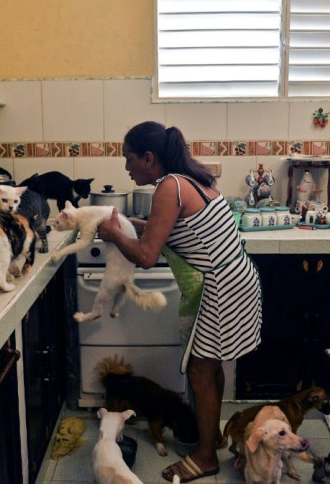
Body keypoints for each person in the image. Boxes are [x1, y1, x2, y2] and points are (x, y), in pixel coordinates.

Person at [97, 121, 262, 482]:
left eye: (129, 159)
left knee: (202, 370)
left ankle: (205, 456)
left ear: (149, 157)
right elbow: (164, 228)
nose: (127, 168)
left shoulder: (169, 187)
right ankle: (213, 437)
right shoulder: (193, 180)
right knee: (212, 365)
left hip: (221, 288)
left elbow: (146, 255)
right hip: (238, 279)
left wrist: (112, 233)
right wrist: (126, 222)